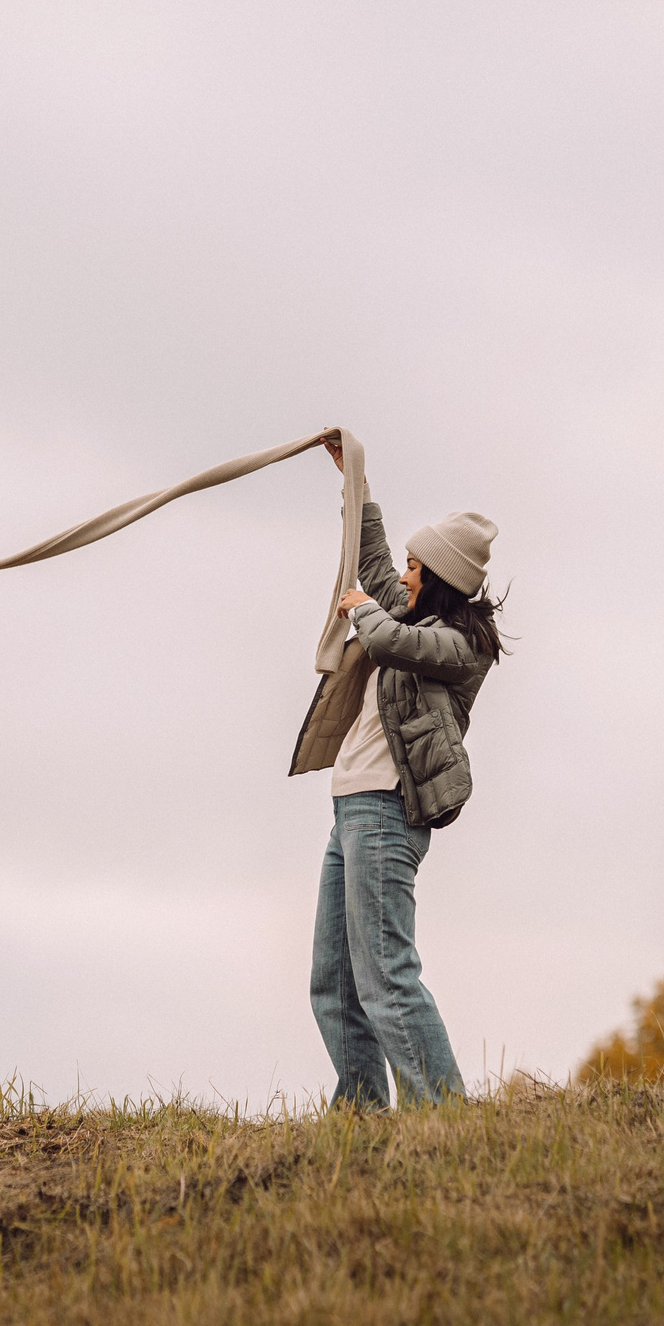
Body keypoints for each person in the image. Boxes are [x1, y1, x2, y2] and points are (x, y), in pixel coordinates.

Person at [288, 437, 504, 1107]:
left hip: (385, 813)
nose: (404, 576)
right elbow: (373, 564)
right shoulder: (405, 608)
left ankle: (443, 1118)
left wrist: (359, 607)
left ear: (441, 576)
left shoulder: (458, 646)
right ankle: (362, 1113)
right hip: (349, 808)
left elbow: (389, 639)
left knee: (386, 974)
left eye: (416, 567)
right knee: (334, 980)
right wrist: (358, 485)